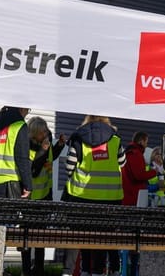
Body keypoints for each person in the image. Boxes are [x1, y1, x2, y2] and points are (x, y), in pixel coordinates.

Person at [64, 115, 126, 276]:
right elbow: (122, 163)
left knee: (81, 235)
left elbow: (69, 166)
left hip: (80, 197)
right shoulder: (115, 140)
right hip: (110, 199)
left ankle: (84, 270)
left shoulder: (78, 138)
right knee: (102, 238)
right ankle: (99, 271)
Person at [22, 116, 64, 276]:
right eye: (42, 132)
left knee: (40, 236)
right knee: (26, 235)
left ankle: (39, 269)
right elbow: (34, 170)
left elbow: (51, 157)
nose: (45, 134)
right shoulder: (28, 147)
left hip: (45, 195)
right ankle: (26, 269)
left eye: (46, 130)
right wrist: (44, 150)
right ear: (34, 133)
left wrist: (59, 145)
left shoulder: (45, 143)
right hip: (30, 198)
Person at [121, 130, 161, 276]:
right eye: (146, 142)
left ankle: (130, 267)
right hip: (134, 200)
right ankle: (131, 269)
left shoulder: (129, 152)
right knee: (134, 238)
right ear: (142, 141)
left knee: (131, 238)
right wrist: (154, 172)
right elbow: (138, 175)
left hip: (130, 198)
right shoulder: (135, 153)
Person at [0, 106, 33, 198]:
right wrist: (28, 185)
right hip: (10, 183)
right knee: (10, 212)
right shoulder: (19, 126)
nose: (26, 114)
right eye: (27, 110)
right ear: (21, 109)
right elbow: (22, 157)